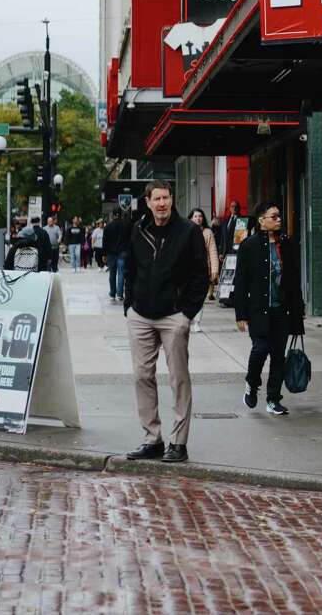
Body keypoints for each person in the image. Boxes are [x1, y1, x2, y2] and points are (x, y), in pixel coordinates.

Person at [122, 180, 209, 464]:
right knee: (141, 376)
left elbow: (200, 274)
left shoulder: (189, 231)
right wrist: (129, 305)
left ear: (172, 199)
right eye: (156, 198)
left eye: (166, 198)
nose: (162, 203)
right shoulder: (138, 230)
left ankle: (179, 443)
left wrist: (186, 313)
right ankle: (152, 439)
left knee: (178, 379)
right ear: (147, 201)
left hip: (174, 316)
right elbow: (130, 269)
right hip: (140, 314)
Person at [232, 201, 305, 415]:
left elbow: (293, 278)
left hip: (282, 309)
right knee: (260, 349)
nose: (279, 219)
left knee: (278, 356)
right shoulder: (250, 246)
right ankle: (251, 383)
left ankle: (273, 398)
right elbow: (241, 282)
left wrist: (298, 310)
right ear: (262, 221)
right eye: (274, 216)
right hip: (258, 310)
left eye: (279, 216)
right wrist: (241, 314)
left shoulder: (287, 244)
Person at [187, 208, 220, 331]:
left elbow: (213, 251)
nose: (198, 218)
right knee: (188, 297)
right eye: (195, 216)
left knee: (200, 297)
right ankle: (188, 319)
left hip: (203, 270)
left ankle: (196, 322)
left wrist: (215, 270)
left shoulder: (208, 232)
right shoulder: (185, 231)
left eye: (200, 216)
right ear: (191, 218)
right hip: (188, 271)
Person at [104, 211, 128, 301]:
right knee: (121, 273)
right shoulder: (125, 226)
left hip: (111, 253)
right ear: (120, 215)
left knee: (112, 273)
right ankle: (120, 294)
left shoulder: (108, 227)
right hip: (122, 252)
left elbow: (105, 241)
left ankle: (112, 293)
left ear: (112, 215)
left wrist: (104, 254)